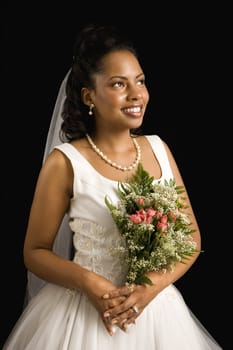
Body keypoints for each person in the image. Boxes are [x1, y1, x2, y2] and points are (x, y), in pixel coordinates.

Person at [3, 23, 222, 350]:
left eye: (140, 81)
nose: (136, 94)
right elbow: (34, 252)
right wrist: (88, 282)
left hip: (155, 310)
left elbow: (191, 238)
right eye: (119, 84)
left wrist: (150, 287)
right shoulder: (65, 162)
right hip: (83, 312)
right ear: (89, 96)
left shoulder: (159, 149)